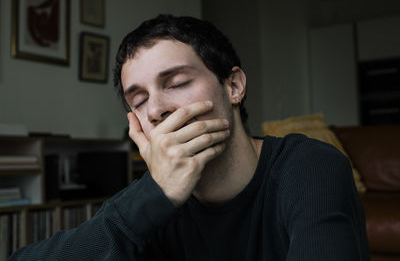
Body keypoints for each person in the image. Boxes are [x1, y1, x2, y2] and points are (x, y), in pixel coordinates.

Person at [10, 14, 370, 260]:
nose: (156, 110)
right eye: (139, 100)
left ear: (233, 86)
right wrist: (152, 197)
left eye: (177, 83)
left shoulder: (310, 167)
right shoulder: (149, 204)